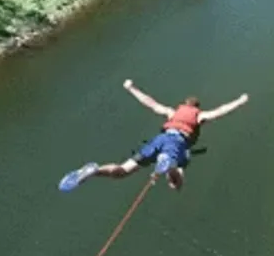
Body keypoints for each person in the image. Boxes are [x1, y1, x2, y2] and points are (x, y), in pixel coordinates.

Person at [59, 79, 249, 192]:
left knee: (122, 171)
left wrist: (131, 88)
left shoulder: (171, 112)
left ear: (183, 104)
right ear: (196, 107)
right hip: (177, 143)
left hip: (159, 140)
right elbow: (220, 111)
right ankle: (169, 163)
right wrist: (240, 102)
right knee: (176, 184)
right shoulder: (200, 116)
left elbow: (150, 102)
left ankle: (95, 171)